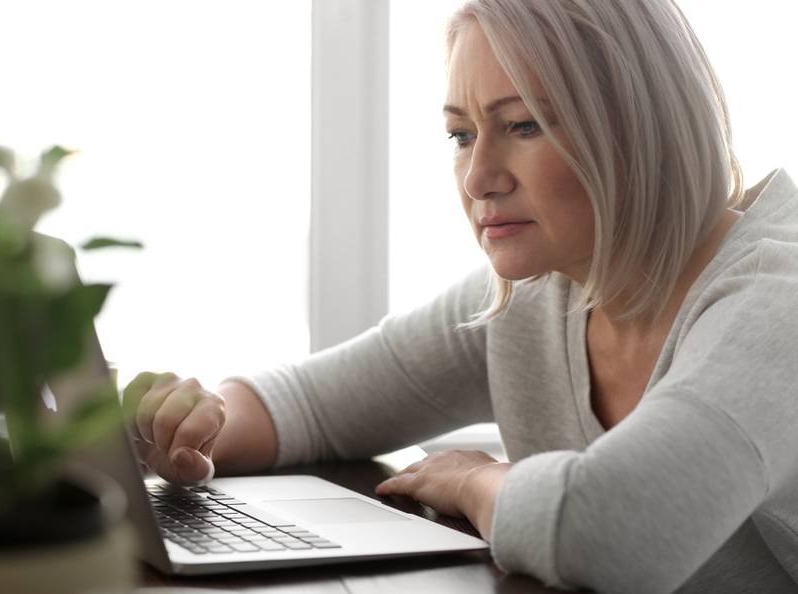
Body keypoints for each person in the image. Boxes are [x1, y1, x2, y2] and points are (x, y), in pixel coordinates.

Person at [122, 1, 798, 592]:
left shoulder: (777, 304)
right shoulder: (544, 291)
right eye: (462, 134)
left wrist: (474, 481)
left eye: (524, 125)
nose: (477, 179)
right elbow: (312, 407)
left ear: (639, 125)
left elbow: (610, 534)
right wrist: (196, 425)